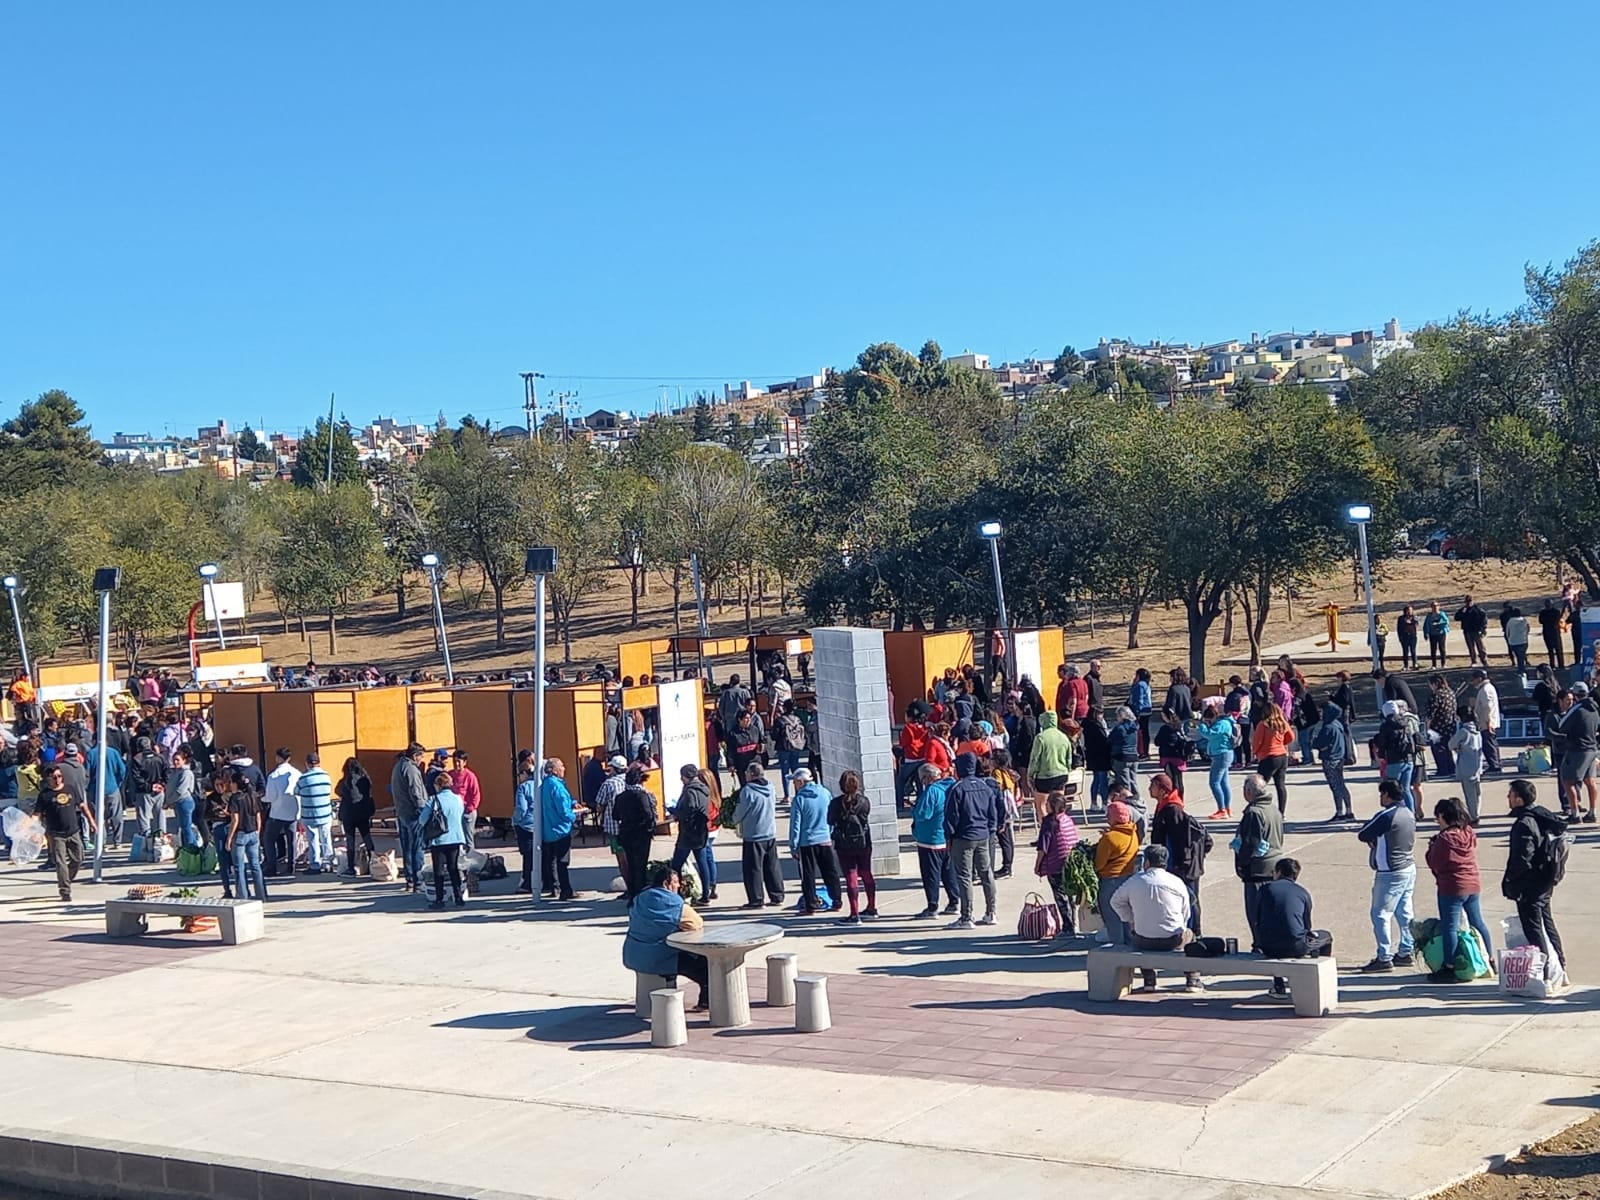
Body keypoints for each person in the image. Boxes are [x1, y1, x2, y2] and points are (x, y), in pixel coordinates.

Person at [1503, 779, 1570, 987]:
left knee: (1533, 928)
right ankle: (1561, 968)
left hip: (1529, 884)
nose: (1508, 798)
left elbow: (1522, 858)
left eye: (1511, 794)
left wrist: (1510, 881)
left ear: (1519, 799)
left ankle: (1546, 974)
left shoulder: (1524, 823)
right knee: (1547, 923)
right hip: (1545, 880)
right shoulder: (1542, 816)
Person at [1111, 844, 1203, 992]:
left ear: (1146, 862)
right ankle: (1192, 979)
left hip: (1143, 940)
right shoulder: (1176, 882)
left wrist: (1130, 919)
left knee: (1137, 936)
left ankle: (1149, 980)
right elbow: (1186, 912)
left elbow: (1115, 901)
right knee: (1190, 936)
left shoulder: (1134, 881)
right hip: (1173, 940)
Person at [1424, 796, 1495, 984]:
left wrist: (1431, 848)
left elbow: (1435, 862)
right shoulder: (1468, 832)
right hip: (1473, 883)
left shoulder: (1445, 838)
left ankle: (1449, 967)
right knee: (1477, 922)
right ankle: (1489, 959)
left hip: (1452, 886)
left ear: (1442, 816)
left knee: (1450, 927)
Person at [622, 864, 710, 1012]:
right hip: (661, 957)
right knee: (709, 965)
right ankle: (706, 1002)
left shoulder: (638, 898)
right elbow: (696, 924)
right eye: (676, 882)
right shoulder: (674, 903)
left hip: (633, 955)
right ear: (666, 883)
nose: (679, 886)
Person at [1357, 779, 1417, 972]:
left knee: (1380, 914)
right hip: (1408, 867)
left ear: (1387, 795)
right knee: (1404, 912)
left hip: (1390, 871)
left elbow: (1364, 833)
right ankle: (1406, 950)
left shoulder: (1387, 815)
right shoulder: (1408, 813)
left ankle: (1384, 956)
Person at [1253, 858, 1333, 1000]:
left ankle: (1279, 986)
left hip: (1267, 947)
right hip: (1296, 946)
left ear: (1278, 872)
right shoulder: (1302, 893)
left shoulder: (1265, 889)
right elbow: (1307, 925)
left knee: (1276, 937)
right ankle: (1322, 979)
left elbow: (1257, 918)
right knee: (1326, 937)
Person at [1148, 772, 1211, 934]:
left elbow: (1179, 841)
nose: (1149, 789)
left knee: (1190, 899)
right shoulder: (1164, 806)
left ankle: (1195, 932)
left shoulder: (1173, 810)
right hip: (1179, 865)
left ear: (1162, 790)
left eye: (1153, 785)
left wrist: (1177, 866)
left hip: (1182, 866)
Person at [943, 751, 999, 930]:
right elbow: (993, 813)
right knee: (986, 873)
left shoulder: (957, 789)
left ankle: (967, 917)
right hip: (983, 835)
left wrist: (949, 836)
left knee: (964, 876)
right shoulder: (986, 787)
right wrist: (990, 830)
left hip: (963, 837)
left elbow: (951, 816)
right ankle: (991, 912)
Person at [1232, 775, 1284, 952]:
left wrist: (1241, 865)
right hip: (1275, 866)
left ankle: (1260, 944)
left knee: (1256, 912)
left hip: (1258, 869)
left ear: (1248, 792)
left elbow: (1251, 843)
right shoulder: (1273, 809)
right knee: (1271, 910)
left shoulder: (1254, 813)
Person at [787, 766, 843, 916]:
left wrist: (793, 846)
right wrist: (829, 834)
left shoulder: (799, 799)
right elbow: (832, 816)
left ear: (800, 782)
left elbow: (795, 825)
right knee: (830, 872)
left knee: (808, 875)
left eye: (794, 782)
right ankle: (837, 901)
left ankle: (810, 905)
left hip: (807, 843)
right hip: (825, 839)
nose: (793, 785)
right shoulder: (825, 793)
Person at [35, 764, 94, 902]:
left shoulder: (70, 789)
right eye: (54, 777)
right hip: (56, 834)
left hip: (73, 831)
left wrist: (92, 821)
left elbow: (82, 806)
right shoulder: (45, 795)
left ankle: (66, 879)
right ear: (48, 779)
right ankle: (65, 890)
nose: (57, 779)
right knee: (61, 863)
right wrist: (27, 825)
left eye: (60, 776)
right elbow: (37, 814)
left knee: (78, 859)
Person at [730, 763, 784, 908]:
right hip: (770, 832)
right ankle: (777, 895)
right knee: (772, 866)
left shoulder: (747, 791)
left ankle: (756, 899)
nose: (745, 774)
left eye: (747, 772)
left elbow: (740, 812)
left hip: (754, 835)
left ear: (752, 774)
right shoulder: (771, 787)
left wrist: (732, 820)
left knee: (753, 869)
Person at [911, 763, 960, 918]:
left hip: (930, 839)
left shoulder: (931, 791)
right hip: (947, 838)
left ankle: (932, 907)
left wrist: (915, 810)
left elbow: (923, 814)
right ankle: (954, 901)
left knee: (931, 874)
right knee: (948, 871)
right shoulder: (951, 787)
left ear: (927, 778)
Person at [829, 770, 877, 924]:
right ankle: (871, 907)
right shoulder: (864, 801)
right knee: (866, 873)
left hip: (845, 844)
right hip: (864, 842)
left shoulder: (836, 803)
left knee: (851, 876)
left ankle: (854, 913)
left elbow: (830, 820)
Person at [1094, 799, 1141, 944]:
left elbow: (1099, 865)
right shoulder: (1133, 833)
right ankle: (1128, 946)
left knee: (1112, 918)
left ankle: (1117, 950)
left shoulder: (1109, 838)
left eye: (1108, 815)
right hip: (1128, 879)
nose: (1107, 818)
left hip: (1110, 881)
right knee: (1126, 917)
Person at [1033, 790, 1079, 933]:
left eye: (1047, 803)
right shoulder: (1067, 819)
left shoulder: (1049, 822)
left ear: (1052, 806)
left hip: (1056, 864)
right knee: (1070, 895)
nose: (1045, 806)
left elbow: (1043, 847)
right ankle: (1074, 923)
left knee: (1060, 896)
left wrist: (1038, 865)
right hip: (1070, 862)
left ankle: (1068, 926)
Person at [669, 762, 714, 901]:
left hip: (689, 833)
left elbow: (688, 812)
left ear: (686, 776)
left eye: (682, 776)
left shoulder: (689, 791)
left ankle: (677, 894)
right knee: (702, 862)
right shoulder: (704, 788)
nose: (681, 779)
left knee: (676, 864)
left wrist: (674, 811)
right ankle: (706, 894)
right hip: (702, 830)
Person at [421, 770, 466, 909]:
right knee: (453, 868)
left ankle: (439, 899)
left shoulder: (433, 800)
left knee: (439, 871)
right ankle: (458, 897)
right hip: (456, 837)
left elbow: (422, 820)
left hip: (439, 839)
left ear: (438, 785)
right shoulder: (458, 799)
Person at [614, 765, 658, 904]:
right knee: (641, 865)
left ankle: (632, 894)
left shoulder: (621, 796)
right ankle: (640, 896)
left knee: (631, 865)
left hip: (626, 833)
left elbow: (615, 815)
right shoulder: (641, 795)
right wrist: (650, 828)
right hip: (641, 834)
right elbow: (648, 814)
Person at [390, 743, 429, 894]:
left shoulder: (398, 767)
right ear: (415, 756)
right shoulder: (411, 769)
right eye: (421, 756)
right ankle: (418, 881)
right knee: (417, 848)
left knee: (407, 848)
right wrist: (423, 811)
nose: (421, 760)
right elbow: (416, 793)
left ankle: (410, 880)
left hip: (402, 813)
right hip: (413, 814)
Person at [225, 768, 269, 902]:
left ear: (236, 784)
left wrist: (229, 838)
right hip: (253, 833)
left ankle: (242, 896)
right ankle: (261, 895)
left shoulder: (235, 798)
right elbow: (258, 817)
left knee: (239, 867)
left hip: (240, 834)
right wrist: (258, 832)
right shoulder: (253, 795)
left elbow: (235, 820)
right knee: (255, 866)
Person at [1557, 683, 1599, 822]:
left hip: (1577, 749)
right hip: (1592, 747)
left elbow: (1562, 725)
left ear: (1574, 694)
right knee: (1590, 780)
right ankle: (1593, 812)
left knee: (1567, 781)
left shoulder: (1578, 708)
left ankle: (1574, 814)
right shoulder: (1594, 708)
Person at [538, 757, 577, 900]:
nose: (564, 769)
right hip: (561, 829)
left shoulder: (544, 785)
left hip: (548, 830)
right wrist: (575, 816)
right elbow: (563, 811)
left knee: (551, 860)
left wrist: (572, 803)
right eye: (561, 766)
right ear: (554, 770)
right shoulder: (558, 787)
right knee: (562, 861)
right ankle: (566, 890)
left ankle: (554, 887)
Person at [262, 747, 301, 876]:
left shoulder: (273, 776)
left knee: (269, 839)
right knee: (291, 840)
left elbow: (270, 797)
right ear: (289, 758)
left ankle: (271, 867)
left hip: (277, 812)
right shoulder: (297, 773)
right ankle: (291, 866)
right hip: (293, 810)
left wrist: (262, 798)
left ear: (278, 758)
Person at [294, 751, 334, 872]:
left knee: (313, 840)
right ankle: (328, 863)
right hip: (325, 812)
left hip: (309, 814)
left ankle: (315, 864)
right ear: (319, 762)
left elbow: (296, 791)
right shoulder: (326, 776)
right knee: (326, 838)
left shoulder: (303, 778)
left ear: (307, 764)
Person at [1251, 701, 1293, 815]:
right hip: (1282, 756)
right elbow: (1291, 737)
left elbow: (1257, 741)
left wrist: (1256, 752)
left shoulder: (1263, 724)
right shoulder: (1283, 723)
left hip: (1268, 756)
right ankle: (1282, 812)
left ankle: (1256, 809)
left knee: (1259, 785)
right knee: (1280, 785)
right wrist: (1282, 743)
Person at [336, 757, 375, 876]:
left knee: (350, 840)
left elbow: (337, 791)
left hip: (349, 814)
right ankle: (373, 862)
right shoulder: (365, 780)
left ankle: (351, 868)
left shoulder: (345, 781)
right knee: (367, 837)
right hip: (363, 813)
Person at [1374, 701, 1416, 809]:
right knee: (1406, 790)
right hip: (1409, 759)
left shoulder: (1386, 726)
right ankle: (1410, 814)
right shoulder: (1405, 722)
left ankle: (1395, 813)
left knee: (1391, 790)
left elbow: (1382, 743)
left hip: (1394, 761)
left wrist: (1381, 756)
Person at [1199, 701, 1237, 819]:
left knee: (1214, 782)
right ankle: (1227, 808)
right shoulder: (1224, 722)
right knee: (1223, 782)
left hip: (1221, 755)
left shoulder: (1222, 724)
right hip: (1223, 754)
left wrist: (1201, 726)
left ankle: (1222, 810)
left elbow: (1209, 734)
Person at [1027, 711, 1074, 798]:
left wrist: (1030, 774)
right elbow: (1069, 758)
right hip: (1061, 774)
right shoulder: (1064, 737)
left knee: (1041, 804)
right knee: (1058, 802)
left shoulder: (1040, 738)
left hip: (1044, 776)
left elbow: (1035, 758)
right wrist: (1068, 770)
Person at [1468, 668, 1502, 773]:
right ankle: (1495, 763)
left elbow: (1488, 707)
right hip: (1488, 721)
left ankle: (1494, 765)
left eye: (1474, 679)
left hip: (1487, 722)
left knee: (1489, 744)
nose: (1473, 682)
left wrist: (1488, 722)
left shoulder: (1486, 689)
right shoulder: (1487, 688)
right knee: (1491, 743)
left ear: (1479, 678)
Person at [512, 758, 539, 893]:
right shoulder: (540, 784)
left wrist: (515, 821)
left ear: (524, 773)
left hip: (526, 825)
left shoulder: (523, 788)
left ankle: (527, 883)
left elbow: (522, 809)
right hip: (539, 824)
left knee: (527, 855)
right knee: (541, 854)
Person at [165, 747, 199, 850]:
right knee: (183, 828)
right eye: (174, 759)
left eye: (178, 760)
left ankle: (191, 848)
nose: (175, 762)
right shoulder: (176, 772)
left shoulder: (186, 773)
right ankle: (187, 847)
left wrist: (168, 801)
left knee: (186, 827)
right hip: (178, 803)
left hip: (185, 802)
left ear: (184, 760)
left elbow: (180, 791)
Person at [1153, 708, 1190, 796]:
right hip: (1179, 757)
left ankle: (1173, 798)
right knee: (1179, 780)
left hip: (1168, 757)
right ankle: (1180, 799)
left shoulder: (1165, 729)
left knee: (1172, 780)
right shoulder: (1179, 726)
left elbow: (1157, 742)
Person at [1081, 707, 1112, 811]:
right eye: (1100, 713)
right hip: (1101, 755)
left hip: (1091, 756)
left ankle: (1093, 802)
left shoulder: (1085, 724)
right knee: (1103, 780)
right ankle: (1104, 802)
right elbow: (1104, 738)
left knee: (1096, 780)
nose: (1102, 716)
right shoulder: (1097, 725)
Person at [1107, 706, 1140, 799]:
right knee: (1133, 780)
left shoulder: (1119, 728)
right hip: (1134, 756)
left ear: (1121, 716)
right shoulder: (1134, 727)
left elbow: (1110, 740)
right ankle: (1137, 798)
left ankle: (1128, 800)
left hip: (1121, 757)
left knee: (1124, 783)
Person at [452, 749, 481, 853]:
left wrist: (470, 808)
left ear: (464, 762)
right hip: (454, 812)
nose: (456, 764)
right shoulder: (449, 775)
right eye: (454, 761)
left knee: (468, 838)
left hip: (467, 811)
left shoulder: (470, 776)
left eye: (459, 761)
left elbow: (476, 794)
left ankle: (471, 859)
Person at [1457, 595, 1489, 667]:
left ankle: (1484, 661)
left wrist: (1484, 628)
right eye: (1467, 601)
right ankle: (1474, 661)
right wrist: (1462, 612)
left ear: (1472, 601)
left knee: (1481, 647)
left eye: (1469, 601)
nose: (1468, 603)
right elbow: (1457, 617)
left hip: (1476, 631)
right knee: (1471, 647)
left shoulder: (1477, 609)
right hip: (1467, 631)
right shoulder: (1464, 610)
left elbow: (1484, 618)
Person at [1539, 598, 1566, 670]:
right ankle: (1557, 665)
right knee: (1554, 650)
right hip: (1553, 632)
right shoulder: (1555, 612)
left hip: (1550, 632)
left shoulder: (1544, 612)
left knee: (1554, 650)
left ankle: (1557, 665)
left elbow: (1541, 621)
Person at [1505, 607, 1531, 673]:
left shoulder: (1510, 621)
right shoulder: (1524, 620)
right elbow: (1528, 629)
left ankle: (1521, 669)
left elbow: (1507, 631)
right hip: (1523, 641)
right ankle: (1521, 669)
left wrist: (1509, 639)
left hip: (1513, 642)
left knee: (1518, 656)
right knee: (1521, 655)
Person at [1396, 604, 1420, 671]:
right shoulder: (1401, 618)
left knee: (1413, 650)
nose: (1409, 612)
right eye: (1408, 610)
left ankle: (1415, 664)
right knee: (1405, 651)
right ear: (1405, 611)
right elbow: (1399, 628)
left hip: (1412, 636)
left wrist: (1412, 620)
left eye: (1410, 610)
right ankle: (1406, 665)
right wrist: (1400, 637)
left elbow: (1417, 624)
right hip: (1404, 637)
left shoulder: (1414, 617)